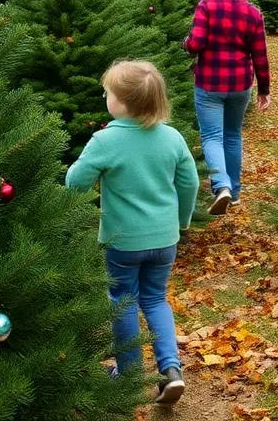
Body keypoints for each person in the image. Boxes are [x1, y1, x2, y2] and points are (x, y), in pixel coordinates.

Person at [65, 60, 199, 406]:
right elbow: (189, 182)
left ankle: (128, 375)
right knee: (155, 299)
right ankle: (170, 371)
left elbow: (74, 182)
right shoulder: (171, 137)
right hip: (164, 239)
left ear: (121, 102)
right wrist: (182, 221)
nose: (105, 96)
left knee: (122, 301)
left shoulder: (105, 139)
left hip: (123, 241)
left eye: (108, 92)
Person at [184, 0, 271, 215]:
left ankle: (220, 186)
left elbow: (196, 43)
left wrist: (186, 43)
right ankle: (233, 191)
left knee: (212, 136)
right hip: (241, 85)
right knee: (232, 134)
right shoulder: (253, 13)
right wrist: (264, 90)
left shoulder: (207, 6)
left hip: (210, 83)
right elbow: (261, 56)